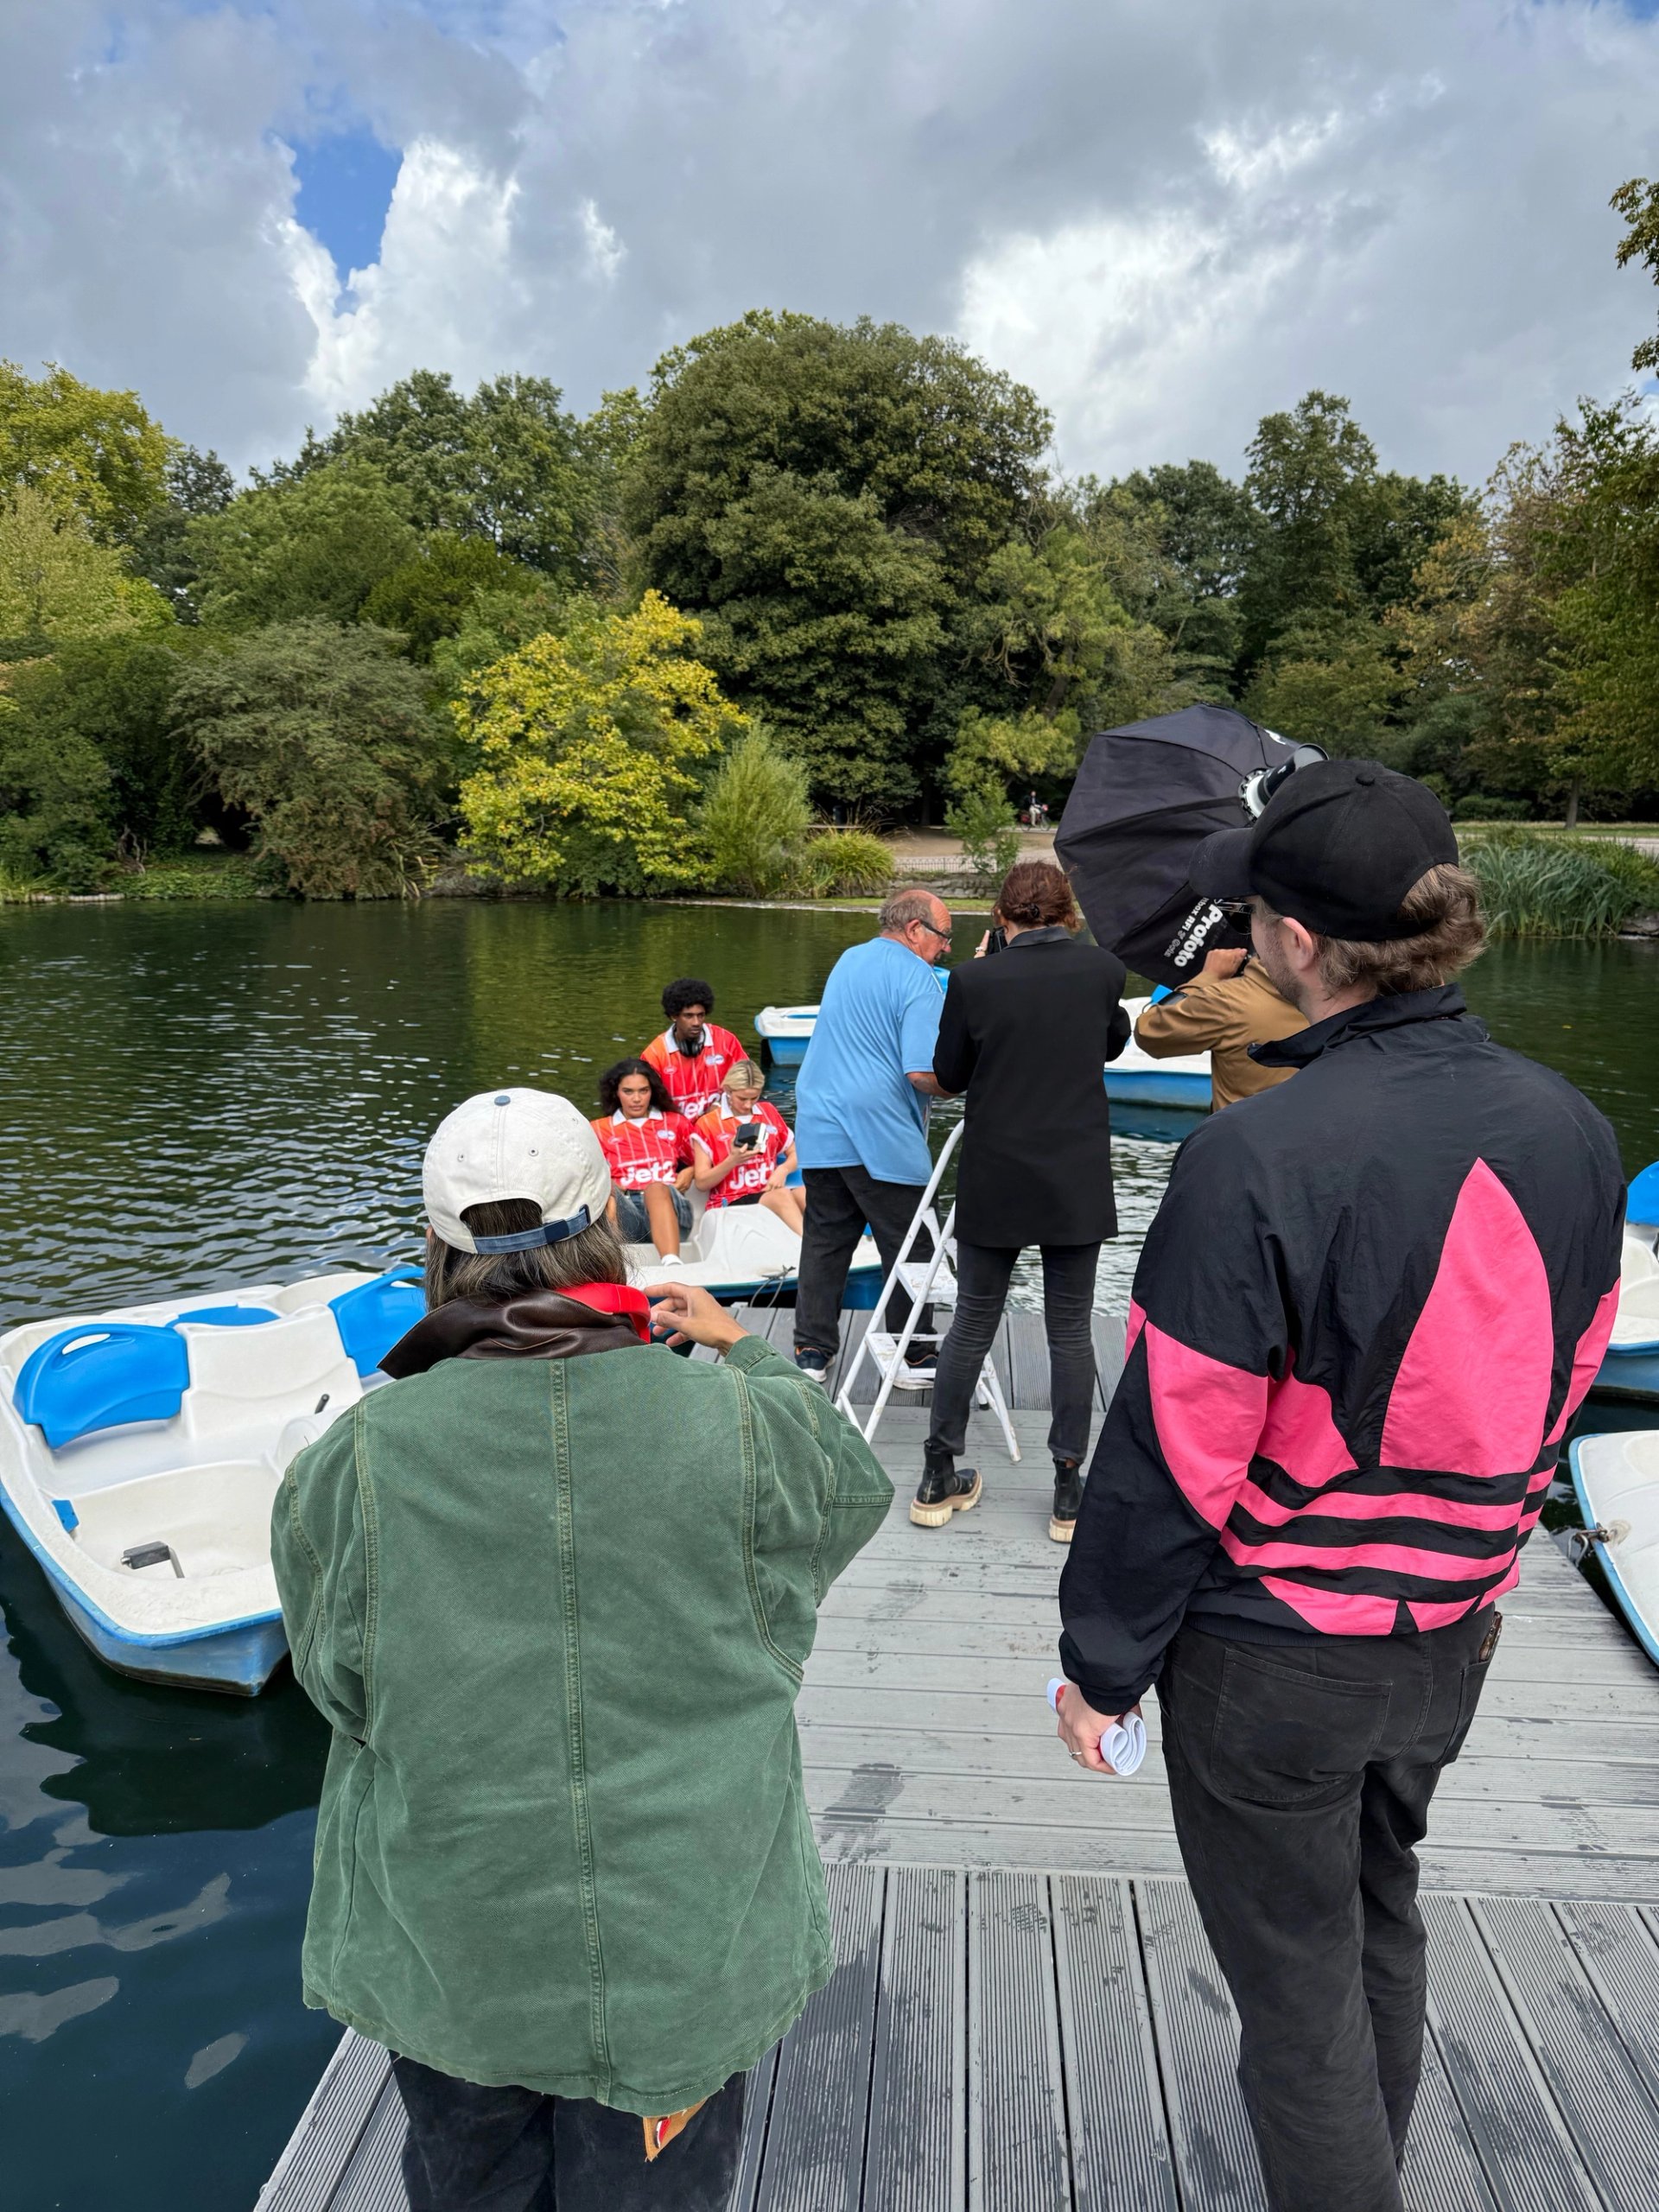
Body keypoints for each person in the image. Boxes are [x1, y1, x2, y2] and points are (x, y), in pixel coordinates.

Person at [1054, 762, 1625, 2212]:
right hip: (1455, 1634)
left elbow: (1176, 1446)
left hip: (1274, 1652)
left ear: (1299, 943)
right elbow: (1563, 1385)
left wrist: (1101, 1667)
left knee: (1294, 1990)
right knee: (1379, 1913)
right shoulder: (1575, 1129)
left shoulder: (1254, 1156)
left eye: (1251, 916)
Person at [271, 1087, 893, 2212]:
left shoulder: (351, 1461)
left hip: (460, 1951)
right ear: (608, 1224)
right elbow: (849, 1493)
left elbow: (338, 1688)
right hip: (682, 1950)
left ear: (437, 1250)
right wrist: (740, 1356)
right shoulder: (741, 1425)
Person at [914, 860, 1129, 1543]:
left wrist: (983, 973)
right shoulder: (1102, 970)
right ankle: (1068, 1489)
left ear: (1001, 917)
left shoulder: (974, 979)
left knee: (972, 1323)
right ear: (1068, 913)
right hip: (1073, 1174)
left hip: (997, 1173)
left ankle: (936, 1475)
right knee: (1069, 1332)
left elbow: (949, 1075)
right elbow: (1112, 1044)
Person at [791, 888, 954, 1383]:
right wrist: (963, 1083)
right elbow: (921, 1073)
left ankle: (813, 1353)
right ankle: (915, 1354)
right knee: (914, 1246)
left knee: (825, 1237)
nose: (946, 947)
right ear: (914, 930)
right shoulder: (919, 979)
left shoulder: (848, 959)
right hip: (878, 1129)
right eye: (944, 936)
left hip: (820, 1120)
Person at [1132, 943, 1306, 1109]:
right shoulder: (1328, 997)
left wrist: (1208, 976)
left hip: (1240, 1135)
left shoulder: (1227, 1001)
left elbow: (1149, 1031)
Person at [591, 1057, 695, 1263]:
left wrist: (690, 1171)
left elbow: (703, 1161)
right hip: (628, 1211)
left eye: (643, 1091)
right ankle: (609, 1265)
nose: (636, 1099)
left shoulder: (676, 1123)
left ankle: (672, 1263)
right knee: (606, 1189)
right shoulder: (598, 1130)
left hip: (669, 1204)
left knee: (655, 1189)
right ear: (616, 1093)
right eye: (628, 1092)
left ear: (652, 1092)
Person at [691, 1059, 805, 1234]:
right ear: (728, 1090)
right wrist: (732, 1160)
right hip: (730, 1200)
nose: (748, 1105)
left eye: (754, 1098)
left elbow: (796, 1153)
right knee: (781, 1196)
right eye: (742, 1098)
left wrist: (782, 1171)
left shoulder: (768, 1111)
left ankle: (838, 1244)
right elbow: (702, 1182)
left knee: (806, 1193)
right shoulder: (708, 1124)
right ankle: (809, 1250)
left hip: (767, 1191)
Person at [641, 979, 746, 1122]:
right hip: (674, 1130)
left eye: (700, 1015)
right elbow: (645, 1104)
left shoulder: (726, 1041)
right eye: (688, 1016)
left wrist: (720, 1104)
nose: (696, 1022)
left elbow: (748, 1081)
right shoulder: (654, 1054)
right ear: (674, 1016)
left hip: (719, 1124)